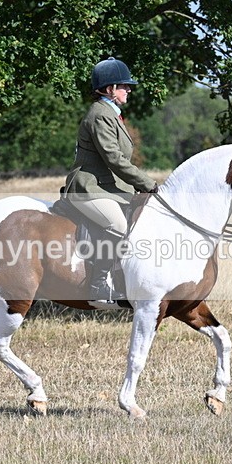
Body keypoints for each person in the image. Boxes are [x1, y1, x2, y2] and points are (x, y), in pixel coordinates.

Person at [62, 57, 158, 302]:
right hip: (87, 187)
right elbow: (114, 158)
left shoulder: (111, 114)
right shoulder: (100, 115)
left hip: (104, 186)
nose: (128, 90)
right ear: (109, 89)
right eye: (124, 86)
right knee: (118, 225)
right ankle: (98, 286)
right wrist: (147, 183)